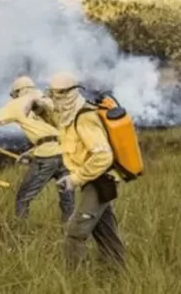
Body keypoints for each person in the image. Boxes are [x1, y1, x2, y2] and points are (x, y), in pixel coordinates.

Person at [0, 76, 74, 222]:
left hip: (47, 157)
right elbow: (51, 134)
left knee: (23, 198)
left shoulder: (19, 103)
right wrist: (30, 153)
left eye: (14, 95)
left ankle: (22, 232)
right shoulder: (48, 100)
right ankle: (71, 234)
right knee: (68, 200)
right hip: (65, 154)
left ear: (18, 91)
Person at [47, 72, 126, 270]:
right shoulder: (69, 115)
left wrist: (74, 179)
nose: (57, 98)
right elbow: (57, 118)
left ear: (73, 92)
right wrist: (40, 109)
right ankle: (117, 273)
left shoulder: (84, 118)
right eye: (54, 93)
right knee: (105, 231)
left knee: (75, 231)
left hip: (100, 180)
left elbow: (103, 156)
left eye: (61, 93)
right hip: (94, 180)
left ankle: (73, 280)